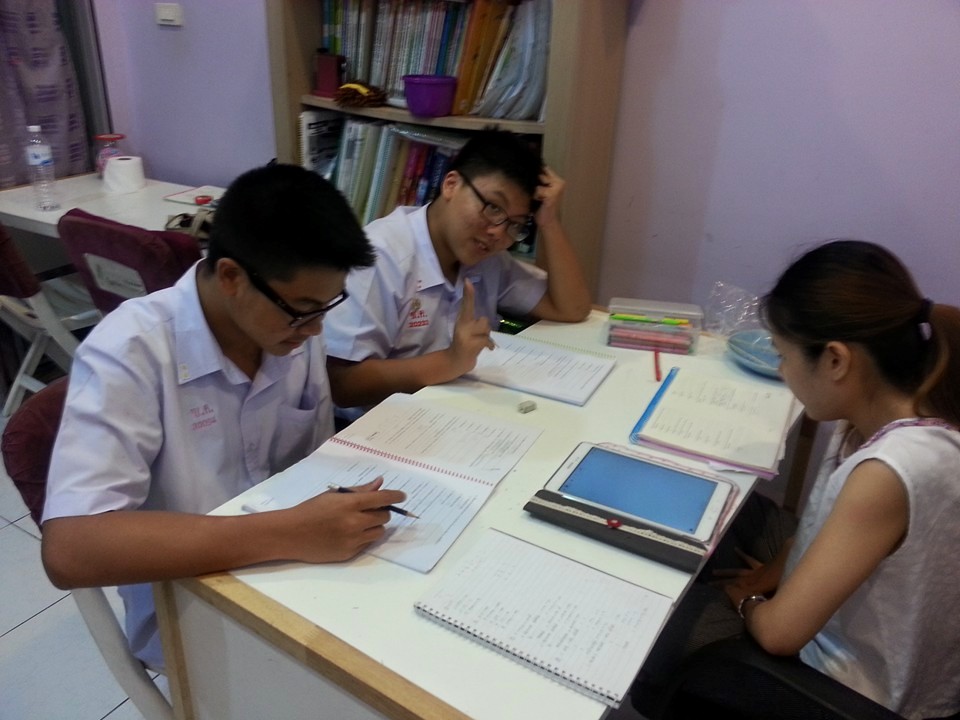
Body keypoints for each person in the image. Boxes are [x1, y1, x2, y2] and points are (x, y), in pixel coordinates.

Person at [40, 164, 406, 673]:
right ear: (232, 277)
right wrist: (288, 532)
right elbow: (70, 550)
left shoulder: (289, 330)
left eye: (327, 307)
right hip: (192, 612)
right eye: (303, 309)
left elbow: (308, 467)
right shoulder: (131, 351)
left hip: (301, 576)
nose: (315, 329)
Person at [633, 240, 960, 720]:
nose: (783, 372)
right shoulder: (885, 410)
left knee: (655, 619)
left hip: (848, 687)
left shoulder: (889, 472)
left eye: (784, 356)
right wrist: (772, 574)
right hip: (844, 620)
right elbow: (821, 524)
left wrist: (749, 601)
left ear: (836, 360)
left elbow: (778, 635)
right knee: (735, 507)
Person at [323, 129, 592, 417]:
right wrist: (450, 361)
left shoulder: (488, 259)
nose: (498, 232)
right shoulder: (381, 256)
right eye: (493, 207)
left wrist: (549, 222)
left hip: (457, 414)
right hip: (379, 427)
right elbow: (343, 385)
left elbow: (572, 308)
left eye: (515, 224)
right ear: (451, 184)